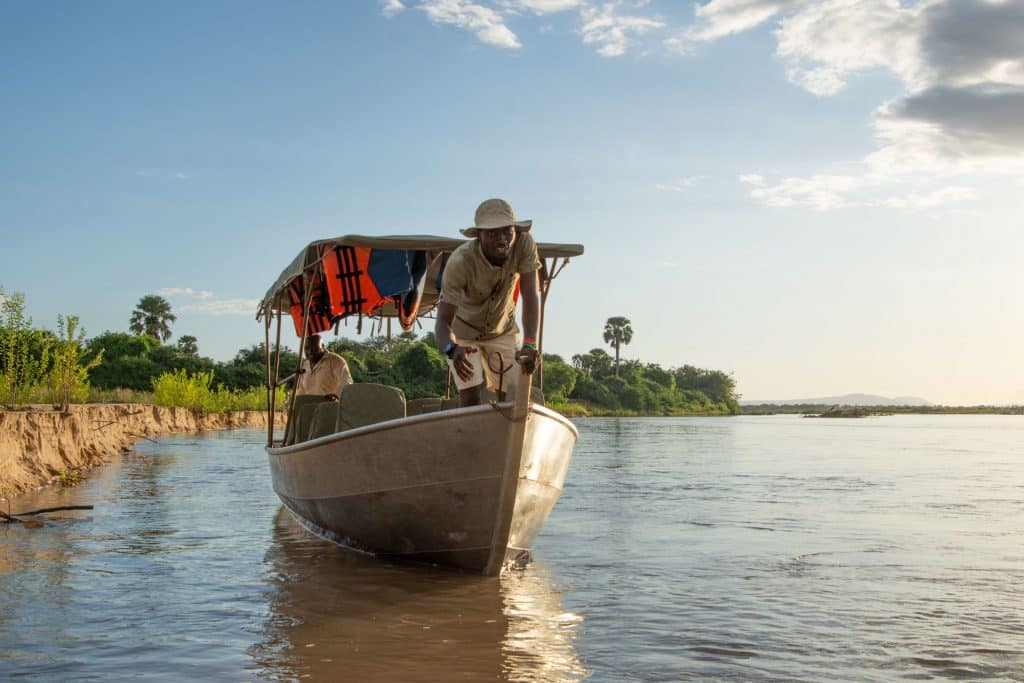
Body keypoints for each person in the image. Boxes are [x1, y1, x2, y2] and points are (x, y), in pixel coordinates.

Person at [435, 198, 541, 407]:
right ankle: (470, 438)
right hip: (464, 333)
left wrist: (530, 343)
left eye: (507, 231)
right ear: (479, 236)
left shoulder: (524, 243)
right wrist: (451, 348)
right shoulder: (460, 261)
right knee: (471, 395)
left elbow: (530, 294)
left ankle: (505, 439)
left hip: (502, 328)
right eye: (492, 233)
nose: (502, 239)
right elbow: (442, 322)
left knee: (514, 394)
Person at [295, 334, 353, 401]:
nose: (310, 351)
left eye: (314, 347)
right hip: (308, 409)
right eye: (307, 348)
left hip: (328, 408)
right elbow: (301, 391)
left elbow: (347, 382)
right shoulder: (304, 366)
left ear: (323, 346)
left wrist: (336, 395)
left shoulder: (336, 361)